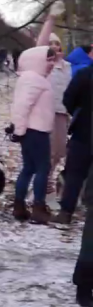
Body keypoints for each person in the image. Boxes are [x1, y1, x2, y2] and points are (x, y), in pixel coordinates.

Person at [9, 45, 58, 224]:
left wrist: (19, 130)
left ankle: (19, 207)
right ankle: (38, 208)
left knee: (29, 168)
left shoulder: (32, 78)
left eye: (53, 60)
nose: (51, 64)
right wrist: (19, 130)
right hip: (36, 131)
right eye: (48, 60)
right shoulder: (34, 79)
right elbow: (22, 106)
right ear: (37, 60)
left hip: (32, 130)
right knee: (42, 169)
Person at [58, 58, 92, 225]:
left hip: (83, 131)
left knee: (74, 175)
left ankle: (66, 212)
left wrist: (79, 112)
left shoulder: (84, 74)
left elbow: (68, 99)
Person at [48, 33, 73, 186]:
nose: (55, 47)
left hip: (64, 112)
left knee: (60, 151)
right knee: (49, 152)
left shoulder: (68, 66)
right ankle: (46, 184)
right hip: (48, 112)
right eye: (51, 44)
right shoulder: (45, 66)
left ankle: (51, 179)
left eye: (56, 43)